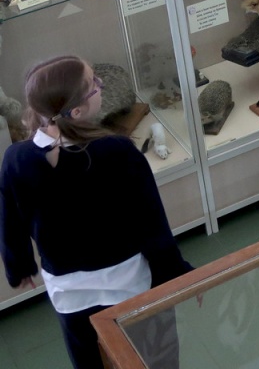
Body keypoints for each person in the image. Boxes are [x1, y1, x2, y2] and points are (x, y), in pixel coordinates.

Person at [0, 56, 192, 369]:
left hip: (69, 294)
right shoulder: (117, 151)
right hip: (129, 284)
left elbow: (11, 221)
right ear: (76, 111)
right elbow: (152, 226)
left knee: (88, 361)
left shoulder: (16, 159)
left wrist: (19, 267)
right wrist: (177, 274)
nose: (100, 85)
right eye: (94, 84)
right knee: (154, 358)